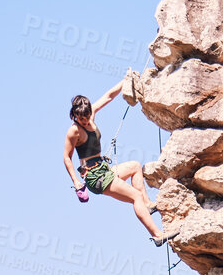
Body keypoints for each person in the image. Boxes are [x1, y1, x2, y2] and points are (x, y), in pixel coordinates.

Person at [62, 82, 169, 246]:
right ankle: (157, 235)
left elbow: (108, 96)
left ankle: (147, 205)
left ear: (89, 111)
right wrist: (76, 182)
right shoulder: (74, 130)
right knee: (136, 196)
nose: (83, 121)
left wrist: (125, 81)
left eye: (85, 117)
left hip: (104, 169)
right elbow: (66, 157)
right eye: (79, 118)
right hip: (95, 176)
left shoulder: (91, 116)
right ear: (75, 115)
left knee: (134, 166)